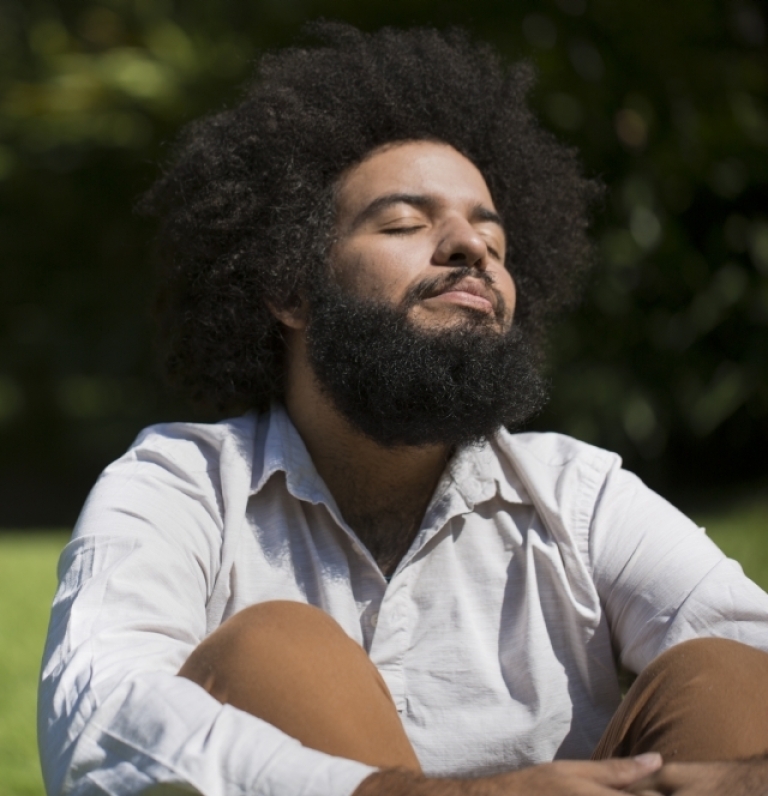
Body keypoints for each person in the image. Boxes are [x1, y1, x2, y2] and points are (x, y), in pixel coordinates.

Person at [37, 23, 768, 796]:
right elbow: (100, 719)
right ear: (290, 288)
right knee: (277, 651)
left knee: (728, 673)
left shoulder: (580, 499)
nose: (471, 248)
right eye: (404, 224)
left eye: (491, 232)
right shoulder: (180, 485)